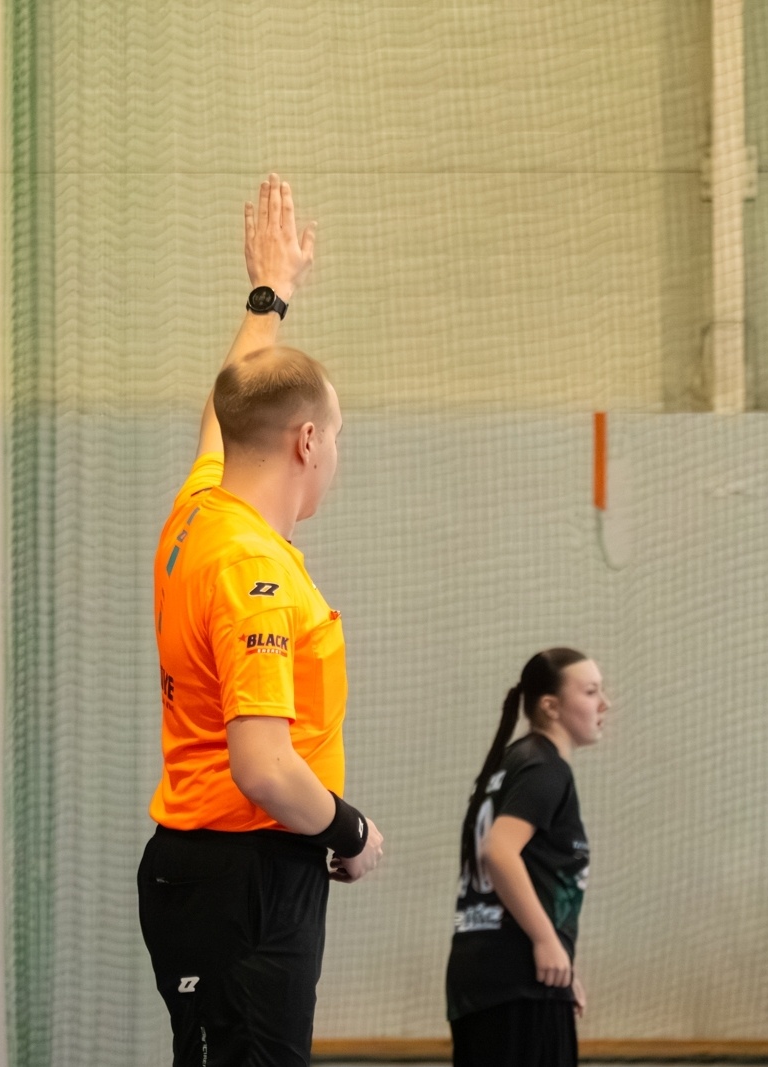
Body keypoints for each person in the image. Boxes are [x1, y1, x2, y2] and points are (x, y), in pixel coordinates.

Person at [137, 173, 385, 1067]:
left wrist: (269, 295)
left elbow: (226, 410)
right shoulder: (253, 570)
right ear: (307, 441)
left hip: (207, 869)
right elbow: (263, 764)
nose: (335, 456)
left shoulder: (199, 510)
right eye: (337, 437)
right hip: (244, 878)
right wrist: (351, 831)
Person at [445, 649, 609, 1067]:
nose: (604, 704)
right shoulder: (544, 767)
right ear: (550, 706)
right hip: (518, 982)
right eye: (591, 692)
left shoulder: (515, 761)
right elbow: (499, 852)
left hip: (483, 978)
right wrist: (546, 941)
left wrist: (561, 960)